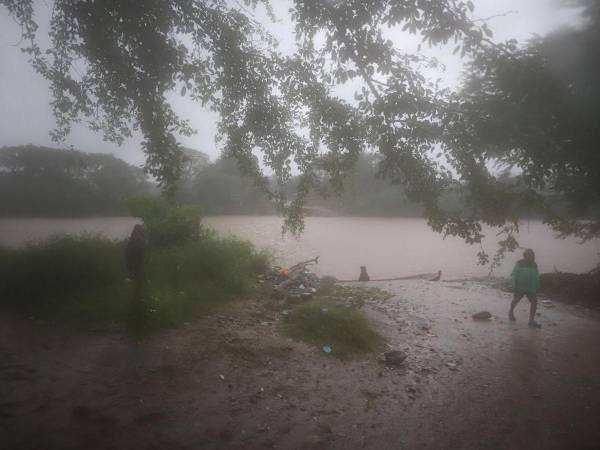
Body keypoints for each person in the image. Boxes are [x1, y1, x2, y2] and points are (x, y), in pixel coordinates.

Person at [509, 248, 541, 328]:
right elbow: (514, 275)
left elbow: (536, 276)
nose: (532, 256)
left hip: (531, 287)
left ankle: (531, 320)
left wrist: (537, 286)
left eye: (532, 255)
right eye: (530, 255)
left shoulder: (534, 265)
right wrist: (513, 285)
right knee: (516, 300)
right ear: (525, 256)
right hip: (520, 286)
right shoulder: (519, 263)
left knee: (534, 302)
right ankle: (510, 312)